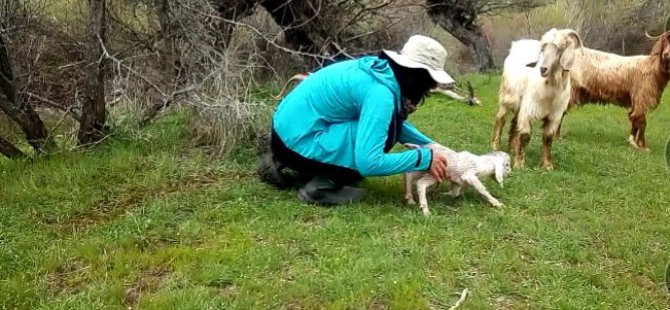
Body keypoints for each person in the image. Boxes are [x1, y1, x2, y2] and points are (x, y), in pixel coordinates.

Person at [257, 35, 455, 205]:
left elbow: (389, 121)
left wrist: (433, 146)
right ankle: (319, 189)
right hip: (295, 144)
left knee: (381, 128)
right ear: (420, 77)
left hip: (282, 133)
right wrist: (423, 158)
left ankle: (278, 159)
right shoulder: (381, 94)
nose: (429, 89)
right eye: (430, 83)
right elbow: (369, 162)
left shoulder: (377, 71)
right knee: (382, 138)